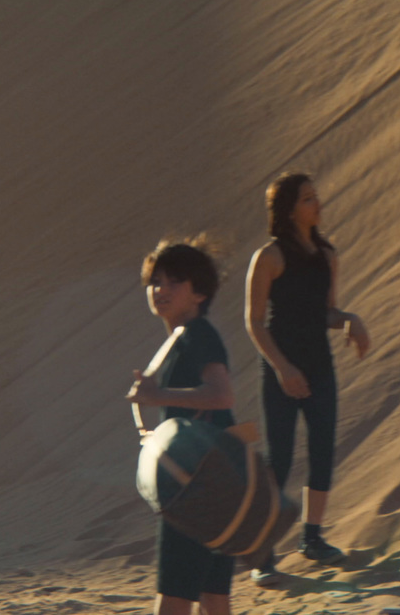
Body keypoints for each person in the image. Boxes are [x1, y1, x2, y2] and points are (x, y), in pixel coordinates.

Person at [245, 173, 371, 584]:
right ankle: (263, 553)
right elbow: (255, 321)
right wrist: (283, 369)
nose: (317, 204)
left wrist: (349, 320)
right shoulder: (269, 257)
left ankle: (312, 539)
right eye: (306, 199)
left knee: (322, 452)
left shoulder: (327, 255)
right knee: (279, 461)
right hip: (281, 369)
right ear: (287, 210)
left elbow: (326, 312)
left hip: (319, 368)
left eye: (315, 196)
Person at [127, 237, 236, 615]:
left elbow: (221, 395)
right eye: (155, 281)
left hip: (196, 488)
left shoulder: (197, 335)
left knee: (174, 598)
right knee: (212, 597)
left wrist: (158, 397)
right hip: (218, 483)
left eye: (175, 281)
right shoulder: (180, 340)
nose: (161, 290)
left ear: (200, 292)